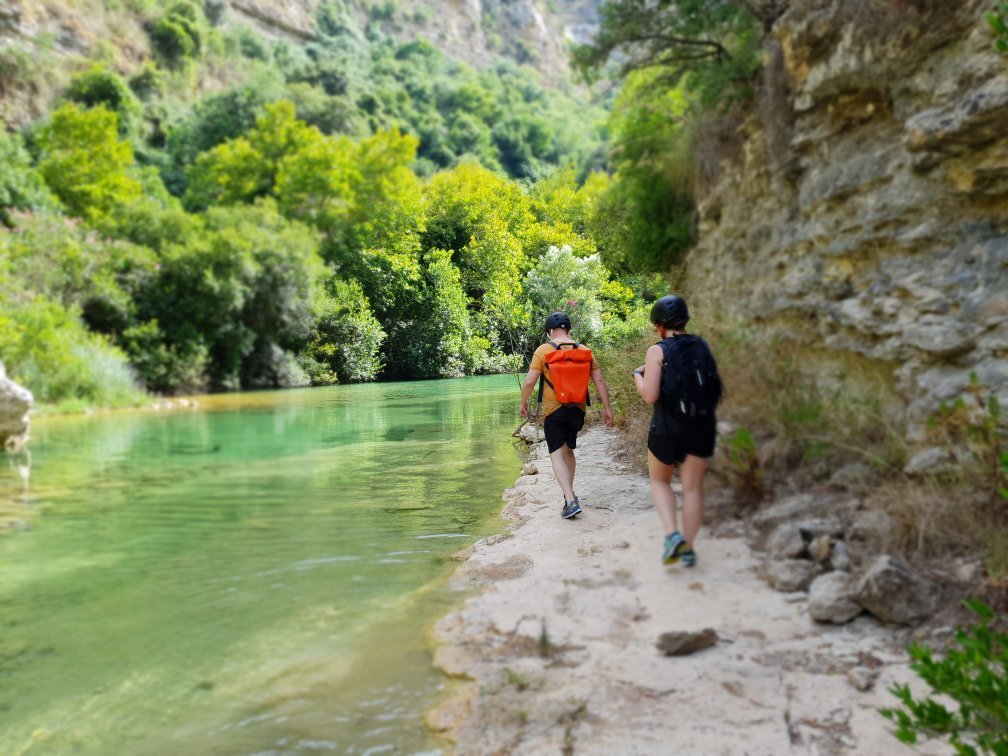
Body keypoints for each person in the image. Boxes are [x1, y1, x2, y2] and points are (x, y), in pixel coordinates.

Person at [632, 295, 721, 567]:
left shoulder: (657, 351)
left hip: (666, 429)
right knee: (692, 489)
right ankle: (690, 549)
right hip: (700, 428)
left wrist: (638, 375)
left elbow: (650, 396)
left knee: (660, 482)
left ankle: (672, 535)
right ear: (685, 320)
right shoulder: (703, 346)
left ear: (659, 325)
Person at [519, 312, 613, 519]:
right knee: (569, 451)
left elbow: (529, 382)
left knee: (556, 454)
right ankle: (569, 496)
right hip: (578, 410)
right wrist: (607, 407)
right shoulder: (585, 350)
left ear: (550, 331)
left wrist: (523, 403)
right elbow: (599, 381)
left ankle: (570, 500)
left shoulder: (543, 350)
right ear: (569, 329)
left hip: (554, 410)